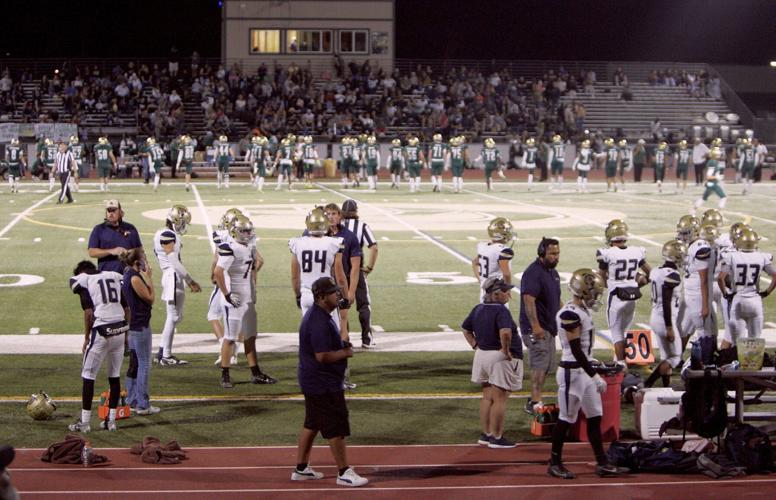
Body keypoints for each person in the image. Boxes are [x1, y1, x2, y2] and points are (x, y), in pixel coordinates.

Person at [547, 269, 630, 479]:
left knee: (595, 417)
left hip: (583, 370)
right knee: (566, 419)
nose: (596, 297)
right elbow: (575, 349)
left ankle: (602, 463)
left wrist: (593, 366)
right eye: (593, 292)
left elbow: (583, 350)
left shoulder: (581, 311)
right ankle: (554, 462)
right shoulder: (570, 313)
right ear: (583, 291)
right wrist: (593, 374)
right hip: (571, 373)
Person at [291, 277, 368, 487]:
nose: (338, 295)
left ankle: (301, 468)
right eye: (334, 292)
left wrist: (340, 342)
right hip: (322, 383)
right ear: (322, 297)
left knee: (312, 423)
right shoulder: (318, 321)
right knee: (336, 427)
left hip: (313, 380)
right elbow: (322, 356)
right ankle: (344, 472)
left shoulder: (320, 315)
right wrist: (345, 352)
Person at [214, 215, 276, 388]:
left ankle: (256, 372)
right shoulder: (229, 247)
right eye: (245, 231)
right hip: (234, 298)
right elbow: (218, 272)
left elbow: (256, 265)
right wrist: (226, 294)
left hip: (247, 297)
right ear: (235, 231)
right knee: (231, 337)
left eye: (250, 230)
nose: (248, 234)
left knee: (250, 336)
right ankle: (225, 374)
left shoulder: (249, 246)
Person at [68, 260, 129, 433]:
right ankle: (110, 422)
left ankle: (85, 423)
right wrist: (126, 337)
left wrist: (86, 338)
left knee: (88, 376)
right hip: (120, 329)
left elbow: (88, 312)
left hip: (101, 331)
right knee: (114, 376)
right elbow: (127, 308)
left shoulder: (83, 279)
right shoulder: (113, 276)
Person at [462, 277, 522, 449]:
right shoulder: (501, 311)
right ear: (495, 294)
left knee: (487, 397)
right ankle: (497, 437)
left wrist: (475, 345)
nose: (508, 294)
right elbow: (505, 333)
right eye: (505, 291)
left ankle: (486, 434)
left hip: (482, 356)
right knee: (500, 398)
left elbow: (466, 329)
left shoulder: (478, 308)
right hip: (499, 358)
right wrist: (506, 350)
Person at [596, 219, 650, 366]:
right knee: (624, 331)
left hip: (616, 297)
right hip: (632, 297)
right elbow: (649, 275)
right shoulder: (636, 251)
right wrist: (635, 285)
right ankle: (618, 360)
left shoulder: (607, 253)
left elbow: (599, 277)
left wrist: (609, 285)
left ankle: (621, 364)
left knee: (616, 333)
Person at [153, 205, 201, 366]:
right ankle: (165, 355)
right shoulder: (168, 234)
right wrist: (190, 281)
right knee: (173, 317)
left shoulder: (160, 232)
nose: (183, 226)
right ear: (175, 220)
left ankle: (162, 352)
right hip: (173, 276)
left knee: (175, 317)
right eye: (182, 222)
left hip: (170, 276)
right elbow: (173, 261)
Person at [519, 237, 561, 415]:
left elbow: (555, 299)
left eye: (558, 253)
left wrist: (567, 312)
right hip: (537, 328)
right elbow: (528, 300)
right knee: (539, 364)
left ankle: (535, 398)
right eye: (552, 254)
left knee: (546, 366)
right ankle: (535, 401)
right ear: (542, 253)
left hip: (549, 326)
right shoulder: (533, 272)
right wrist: (535, 326)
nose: (556, 257)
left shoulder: (553, 272)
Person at [718, 227, 776, 345]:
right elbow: (775, 276)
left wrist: (725, 293)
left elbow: (720, 278)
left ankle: (738, 363)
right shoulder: (762, 256)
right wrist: (767, 292)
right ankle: (754, 363)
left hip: (738, 300)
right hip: (755, 300)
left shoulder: (731, 256)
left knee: (738, 344)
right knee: (754, 343)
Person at [121, 249, 160, 415]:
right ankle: (143, 404)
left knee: (135, 364)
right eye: (143, 258)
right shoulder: (135, 278)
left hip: (134, 325)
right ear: (137, 262)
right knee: (144, 364)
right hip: (140, 326)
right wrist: (149, 277)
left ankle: (131, 400)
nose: (146, 261)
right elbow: (150, 298)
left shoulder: (128, 273)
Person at [645, 240, 686, 388]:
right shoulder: (673, 275)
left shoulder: (656, 271)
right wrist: (669, 326)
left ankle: (666, 388)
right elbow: (667, 301)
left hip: (655, 316)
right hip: (665, 319)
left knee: (666, 357)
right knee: (675, 357)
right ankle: (648, 383)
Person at [341, 199, 379, 348]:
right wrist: (369, 267)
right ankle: (366, 339)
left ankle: (344, 338)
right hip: (357, 271)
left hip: (339, 272)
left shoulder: (336, 227)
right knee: (363, 305)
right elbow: (374, 247)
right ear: (356, 212)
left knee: (340, 306)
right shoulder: (362, 226)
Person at [88, 199, 143, 273]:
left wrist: (131, 253)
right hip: (107, 275)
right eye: (109, 211)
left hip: (129, 274)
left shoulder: (131, 228)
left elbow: (140, 250)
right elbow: (92, 252)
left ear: (120, 212)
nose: (111, 213)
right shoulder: (99, 229)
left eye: (114, 210)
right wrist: (112, 251)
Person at [472, 217, 515, 302]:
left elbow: (474, 262)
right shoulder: (503, 250)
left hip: (484, 291)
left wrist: (481, 281)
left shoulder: (482, 246)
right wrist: (507, 289)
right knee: (500, 314)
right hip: (497, 293)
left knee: (485, 314)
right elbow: (506, 274)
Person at [692, 147, 727, 215]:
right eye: (718, 154)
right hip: (712, 183)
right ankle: (719, 212)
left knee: (704, 198)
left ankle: (693, 210)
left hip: (712, 183)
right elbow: (708, 176)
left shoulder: (714, 161)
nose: (719, 155)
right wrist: (718, 177)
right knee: (723, 197)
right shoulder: (712, 162)